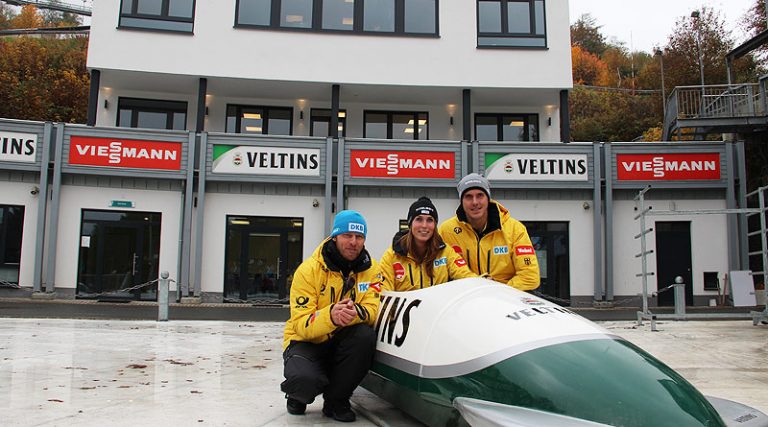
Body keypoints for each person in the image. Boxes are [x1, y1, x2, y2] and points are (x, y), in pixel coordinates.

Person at [280, 210, 382, 422]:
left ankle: (336, 401)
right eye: (347, 235)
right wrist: (331, 316)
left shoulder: (372, 271)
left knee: (365, 337)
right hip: (307, 341)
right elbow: (301, 324)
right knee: (304, 382)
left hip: (342, 339)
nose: (354, 242)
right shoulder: (308, 271)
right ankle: (298, 394)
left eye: (359, 237)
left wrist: (354, 313)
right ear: (335, 236)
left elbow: (373, 309)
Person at [438, 173, 540, 291]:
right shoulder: (446, 231)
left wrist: (495, 290)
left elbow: (530, 276)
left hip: (505, 301)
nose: (475, 202)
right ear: (461, 201)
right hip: (464, 300)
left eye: (480, 195)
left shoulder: (514, 229)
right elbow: (437, 271)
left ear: (488, 198)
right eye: (468, 197)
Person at [380, 196, 476, 291]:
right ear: (410, 223)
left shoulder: (446, 253)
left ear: (435, 225)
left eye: (429, 220)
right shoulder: (392, 256)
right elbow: (383, 293)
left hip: (438, 306)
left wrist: (482, 282)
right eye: (419, 219)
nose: (424, 225)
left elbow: (466, 276)